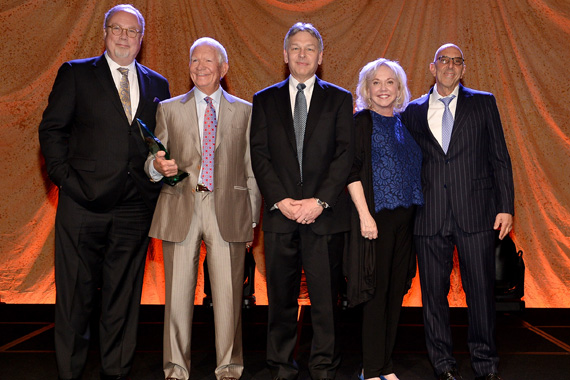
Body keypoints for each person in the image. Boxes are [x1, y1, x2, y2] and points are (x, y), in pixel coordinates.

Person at [38, 4, 170, 380]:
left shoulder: (157, 84)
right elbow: (51, 131)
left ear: (141, 39)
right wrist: (66, 181)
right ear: (105, 32)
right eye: (118, 29)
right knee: (75, 299)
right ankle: (70, 372)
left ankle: (116, 370)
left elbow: (156, 144)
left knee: (123, 299)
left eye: (132, 31)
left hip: (135, 209)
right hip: (82, 206)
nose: (124, 36)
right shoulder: (76, 73)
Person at [145, 37, 261, 380]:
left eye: (208, 61)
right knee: (177, 297)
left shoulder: (246, 110)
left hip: (229, 210)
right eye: (195, 60)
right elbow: (154, 158)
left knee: (228, 299)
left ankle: (229, 366)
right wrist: (156, 167)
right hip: (181, 206)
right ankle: (176, 368)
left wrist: (252, 219)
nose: (200, 66)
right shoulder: (168, 108)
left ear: (223, 69)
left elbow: (251, 168)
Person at [400, 44, 514, 380]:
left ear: (463, 69)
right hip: (429, 216)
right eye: (444, 61)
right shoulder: (413, 111)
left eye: (457, 61)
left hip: (476, 213)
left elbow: (500, 158)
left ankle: (485, 363)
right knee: (433, 298)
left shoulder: (483, 103)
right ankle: (443, 364)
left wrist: (505, 207)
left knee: (480, 293)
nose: (450, 66)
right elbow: (407, 165)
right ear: (432, 68)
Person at [250, 22, 354, 380]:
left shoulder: (340, 99)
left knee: (326, 301)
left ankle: (324, 366)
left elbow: (345, 156)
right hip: (281, 216)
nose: (302, 54)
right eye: (295, 48)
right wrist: (282, 200)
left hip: (324, 217)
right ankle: (281, 366)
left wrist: (319, 201)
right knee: (280, 300)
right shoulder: (263, 100)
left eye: (310, 48)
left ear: (321, 56)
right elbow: (259, 155)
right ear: (284, 54)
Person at [346, 58, 424, 380]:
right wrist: (365, 216)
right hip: (376, 221)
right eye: (376, 83)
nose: (383, 88)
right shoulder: (361, 122)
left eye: (389, 82)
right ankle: (372, 368)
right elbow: (351, 172)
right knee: (376, 296)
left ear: (399, 88)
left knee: (395, 294)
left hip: (407, 221)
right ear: (366, 89)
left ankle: (385, 366)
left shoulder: (404, 123)